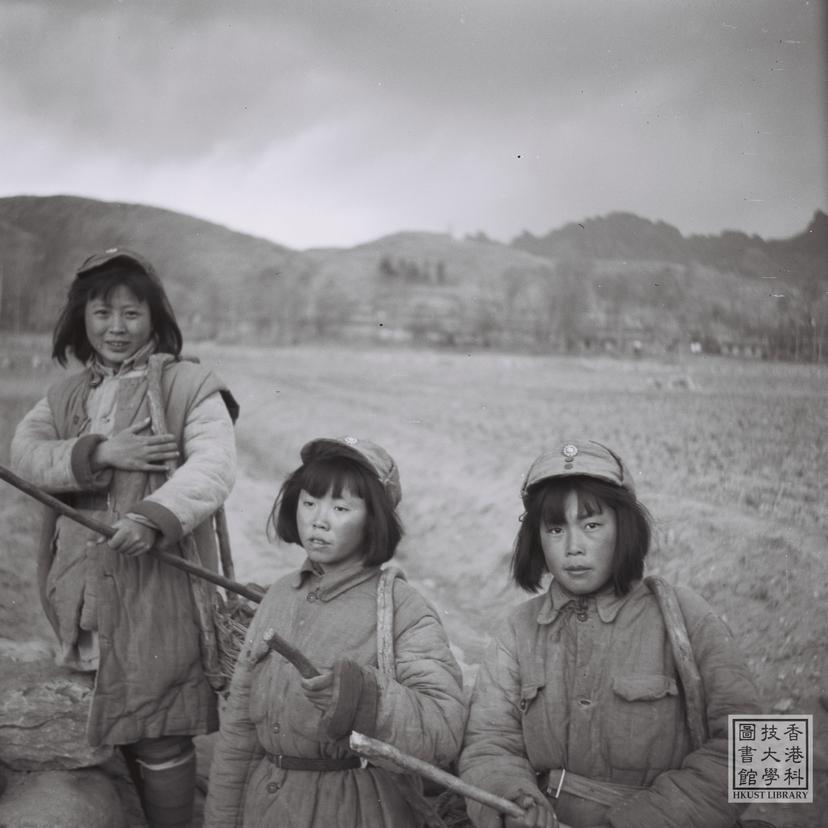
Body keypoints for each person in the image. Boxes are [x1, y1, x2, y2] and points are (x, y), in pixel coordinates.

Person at [10, 248, 238, 828]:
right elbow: (24, 456)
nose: (116, 327)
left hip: (157, 589)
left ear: (155, 319)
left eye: (131, 314)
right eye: (102, 312)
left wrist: (152, 516)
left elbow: (214, 466)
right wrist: (101, 452)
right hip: (82, 589)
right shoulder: (64, 396)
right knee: (115, 714)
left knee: (160, 727)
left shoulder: (190, 386)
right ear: (80, 318)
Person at [459, 440, 762, 828]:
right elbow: (488, 744)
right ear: (537, 539)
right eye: (555, 528)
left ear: (624, 528)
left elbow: (762, 751)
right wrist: (515, 803)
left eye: (592, 525)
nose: (574, 548)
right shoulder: (516, 631)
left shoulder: (687, 615)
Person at [205, 436, 467, 827]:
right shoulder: (279, 596)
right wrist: (221, 820)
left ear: (373, 521)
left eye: (341, 508)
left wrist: (362, 699)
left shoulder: (400, 608)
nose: (318, 520)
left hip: (355, 809)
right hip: (264, 809)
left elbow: (443, 728)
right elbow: (240, 729)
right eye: (309, 503)